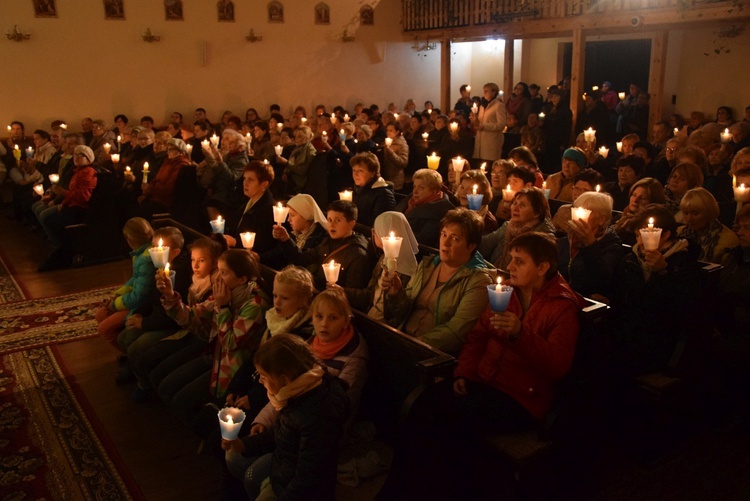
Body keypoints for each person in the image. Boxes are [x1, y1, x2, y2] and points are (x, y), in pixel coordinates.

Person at [221, 334, 349, 501]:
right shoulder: (298, 393)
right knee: (234, 458)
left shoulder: (316, 416)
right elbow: (283, 433)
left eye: (264, 376)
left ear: (284, 379)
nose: (260, 381)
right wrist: (243, 445)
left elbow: (308, 479)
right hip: (285, 469)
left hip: (297, 489)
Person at [158, 249, 269, 423]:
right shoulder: (225, 292)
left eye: (223, 273)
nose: (217, 278)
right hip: (215, 357)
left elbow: (230, 343)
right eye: (218, 271)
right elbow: (191, 315)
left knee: (182, 401)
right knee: (167, 386)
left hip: (232, 372)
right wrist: (170, 295)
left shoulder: (255, 304)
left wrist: (223, 307)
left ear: (242, 279)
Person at [383, 208, 494, 355]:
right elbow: (403, 311)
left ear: (471, 246)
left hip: (432, 355)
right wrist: (396, 294)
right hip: (403, 339)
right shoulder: (427, 266)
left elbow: (456, 332)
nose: (445, 243)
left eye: (455, 238)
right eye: (444, 234)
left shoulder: (478, 281)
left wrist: (411, 346)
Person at [130, 235, 226, 402]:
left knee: (158, 370)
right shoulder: (196, 281)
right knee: (145, 358)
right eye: (193, 259)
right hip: (188, 329)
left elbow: (193, 315)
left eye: (201, 260)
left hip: (203, 340)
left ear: (215, 262)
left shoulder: (216, 287)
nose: (195, 265)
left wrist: (170, 296)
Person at [610, 205, 702, 375]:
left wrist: (662, 271)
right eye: (638, 235)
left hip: (661, 338)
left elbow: (684, 307)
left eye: (647, 235)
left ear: (666, 235)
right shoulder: (630, 260)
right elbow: (619, 298)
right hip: (628, 333)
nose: (640, 241)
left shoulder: (684, 262)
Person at [115, 226, 191, 385]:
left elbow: (171, 315)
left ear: (175, 253)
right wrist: (140, 313)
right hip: (155, 317)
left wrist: (144, 323)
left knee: (137, 346)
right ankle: (132, 365)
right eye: (154, 246)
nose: (156, 250)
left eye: (162, 248)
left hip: (171, 324)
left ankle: (143, 382)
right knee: (124, 337)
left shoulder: (179, 275)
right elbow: (150, 296)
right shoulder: (157, 267)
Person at [339, 211, 419, 321]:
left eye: (375, 229)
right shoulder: (383, 259)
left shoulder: (409, 271)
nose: (372, 232)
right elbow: (370, 295)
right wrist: (342, 292)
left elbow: (400, 314)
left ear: (383, 232)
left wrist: (396, 294)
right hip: (369, 315)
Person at [282, 200, 371, 291]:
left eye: (338, 220)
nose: (332, 225)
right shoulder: (328, 240)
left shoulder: (358, 254)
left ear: (351, 224)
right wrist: (286, 240)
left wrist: (340, 291)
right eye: (329, 220)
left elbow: (354, 291)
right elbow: (302, 259)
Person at [95, 217, 156, 349]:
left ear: (130, 240)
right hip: (136, 299)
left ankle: (127, 353)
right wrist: (117, 295)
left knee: (104, 329)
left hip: (142, 305)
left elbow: (139, 297)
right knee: (100, 314)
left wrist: (114, 305)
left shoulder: (146, 260)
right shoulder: (139, 253)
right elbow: (135, 279)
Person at [558, 191, 624, 302]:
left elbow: (602, 280)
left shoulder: (612, 247)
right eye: (576, 209)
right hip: (562, 297)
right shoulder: (565, 241)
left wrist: (590, 244)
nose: (578, 216)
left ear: (601, 219)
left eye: (585, 211)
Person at [479, 187, 555, 268]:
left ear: (536, 213)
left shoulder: (542, 237)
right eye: (514, 203)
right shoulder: (508, 226)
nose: (515, 208)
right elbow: (483, 246)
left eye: (522, 205)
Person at [394, 168, 455, 249]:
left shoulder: (439, 211)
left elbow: (422, 240)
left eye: (421, 188)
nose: (415, 191)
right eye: (414, 186)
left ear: (434, 192)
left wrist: (397, 231)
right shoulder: (409, 201)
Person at [677, 187, 739, 264]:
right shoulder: (679, 233)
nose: (689, 219)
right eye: (686, 213)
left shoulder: (728, 241)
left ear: (709, 212)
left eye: (695, 213)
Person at [612, 177, 667, 246]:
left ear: (653, 202)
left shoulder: (651, 228)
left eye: (642, 198)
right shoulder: (619, 218)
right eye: (634, 195)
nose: (635, 201)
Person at [551, 168, 605, 232]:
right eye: (577, 188)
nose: (579, 193)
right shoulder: (564, 211)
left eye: (585, 190)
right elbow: (549, 231)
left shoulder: (598, 217)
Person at [350, 152, 395, 227]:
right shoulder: (356, 189)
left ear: (372, 173)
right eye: (354, 170)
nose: (355, 174)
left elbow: (378, 224)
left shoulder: (384, 194)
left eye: (360, 171)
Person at [471, 82, 507, 164]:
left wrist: (484, 126)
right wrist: (474, 120)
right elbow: (479, 123)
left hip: (491, 143)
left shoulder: (499, 106)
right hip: (480, 144)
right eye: (484, 91)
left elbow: (501, 124)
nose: (484, 93)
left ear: (494, 92)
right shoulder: (482, 106)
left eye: (486, 91)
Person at [455, 169, 497, 233]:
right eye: (462, 187)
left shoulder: (489, 222)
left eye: (471, 189)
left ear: (482, 193)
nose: (463, 192)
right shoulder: (456, 211)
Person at [277, 126, 316, 194]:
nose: (296, 139)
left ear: (306, 138)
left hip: (300, 181)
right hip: (291, 177)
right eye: (295, 136)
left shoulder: (310, 151)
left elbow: (302, 170)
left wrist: (286, 162)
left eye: (299, 137)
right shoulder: (297, 148)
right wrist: (285, 172)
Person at [381, 122, 409, 192]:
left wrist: (391, 152)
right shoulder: (386, 142)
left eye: (391, 130)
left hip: (395, 178)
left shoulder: (402, 145)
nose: (388, 132)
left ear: (397, 132)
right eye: (387, 130)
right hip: (385, 176)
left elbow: (403, 162)